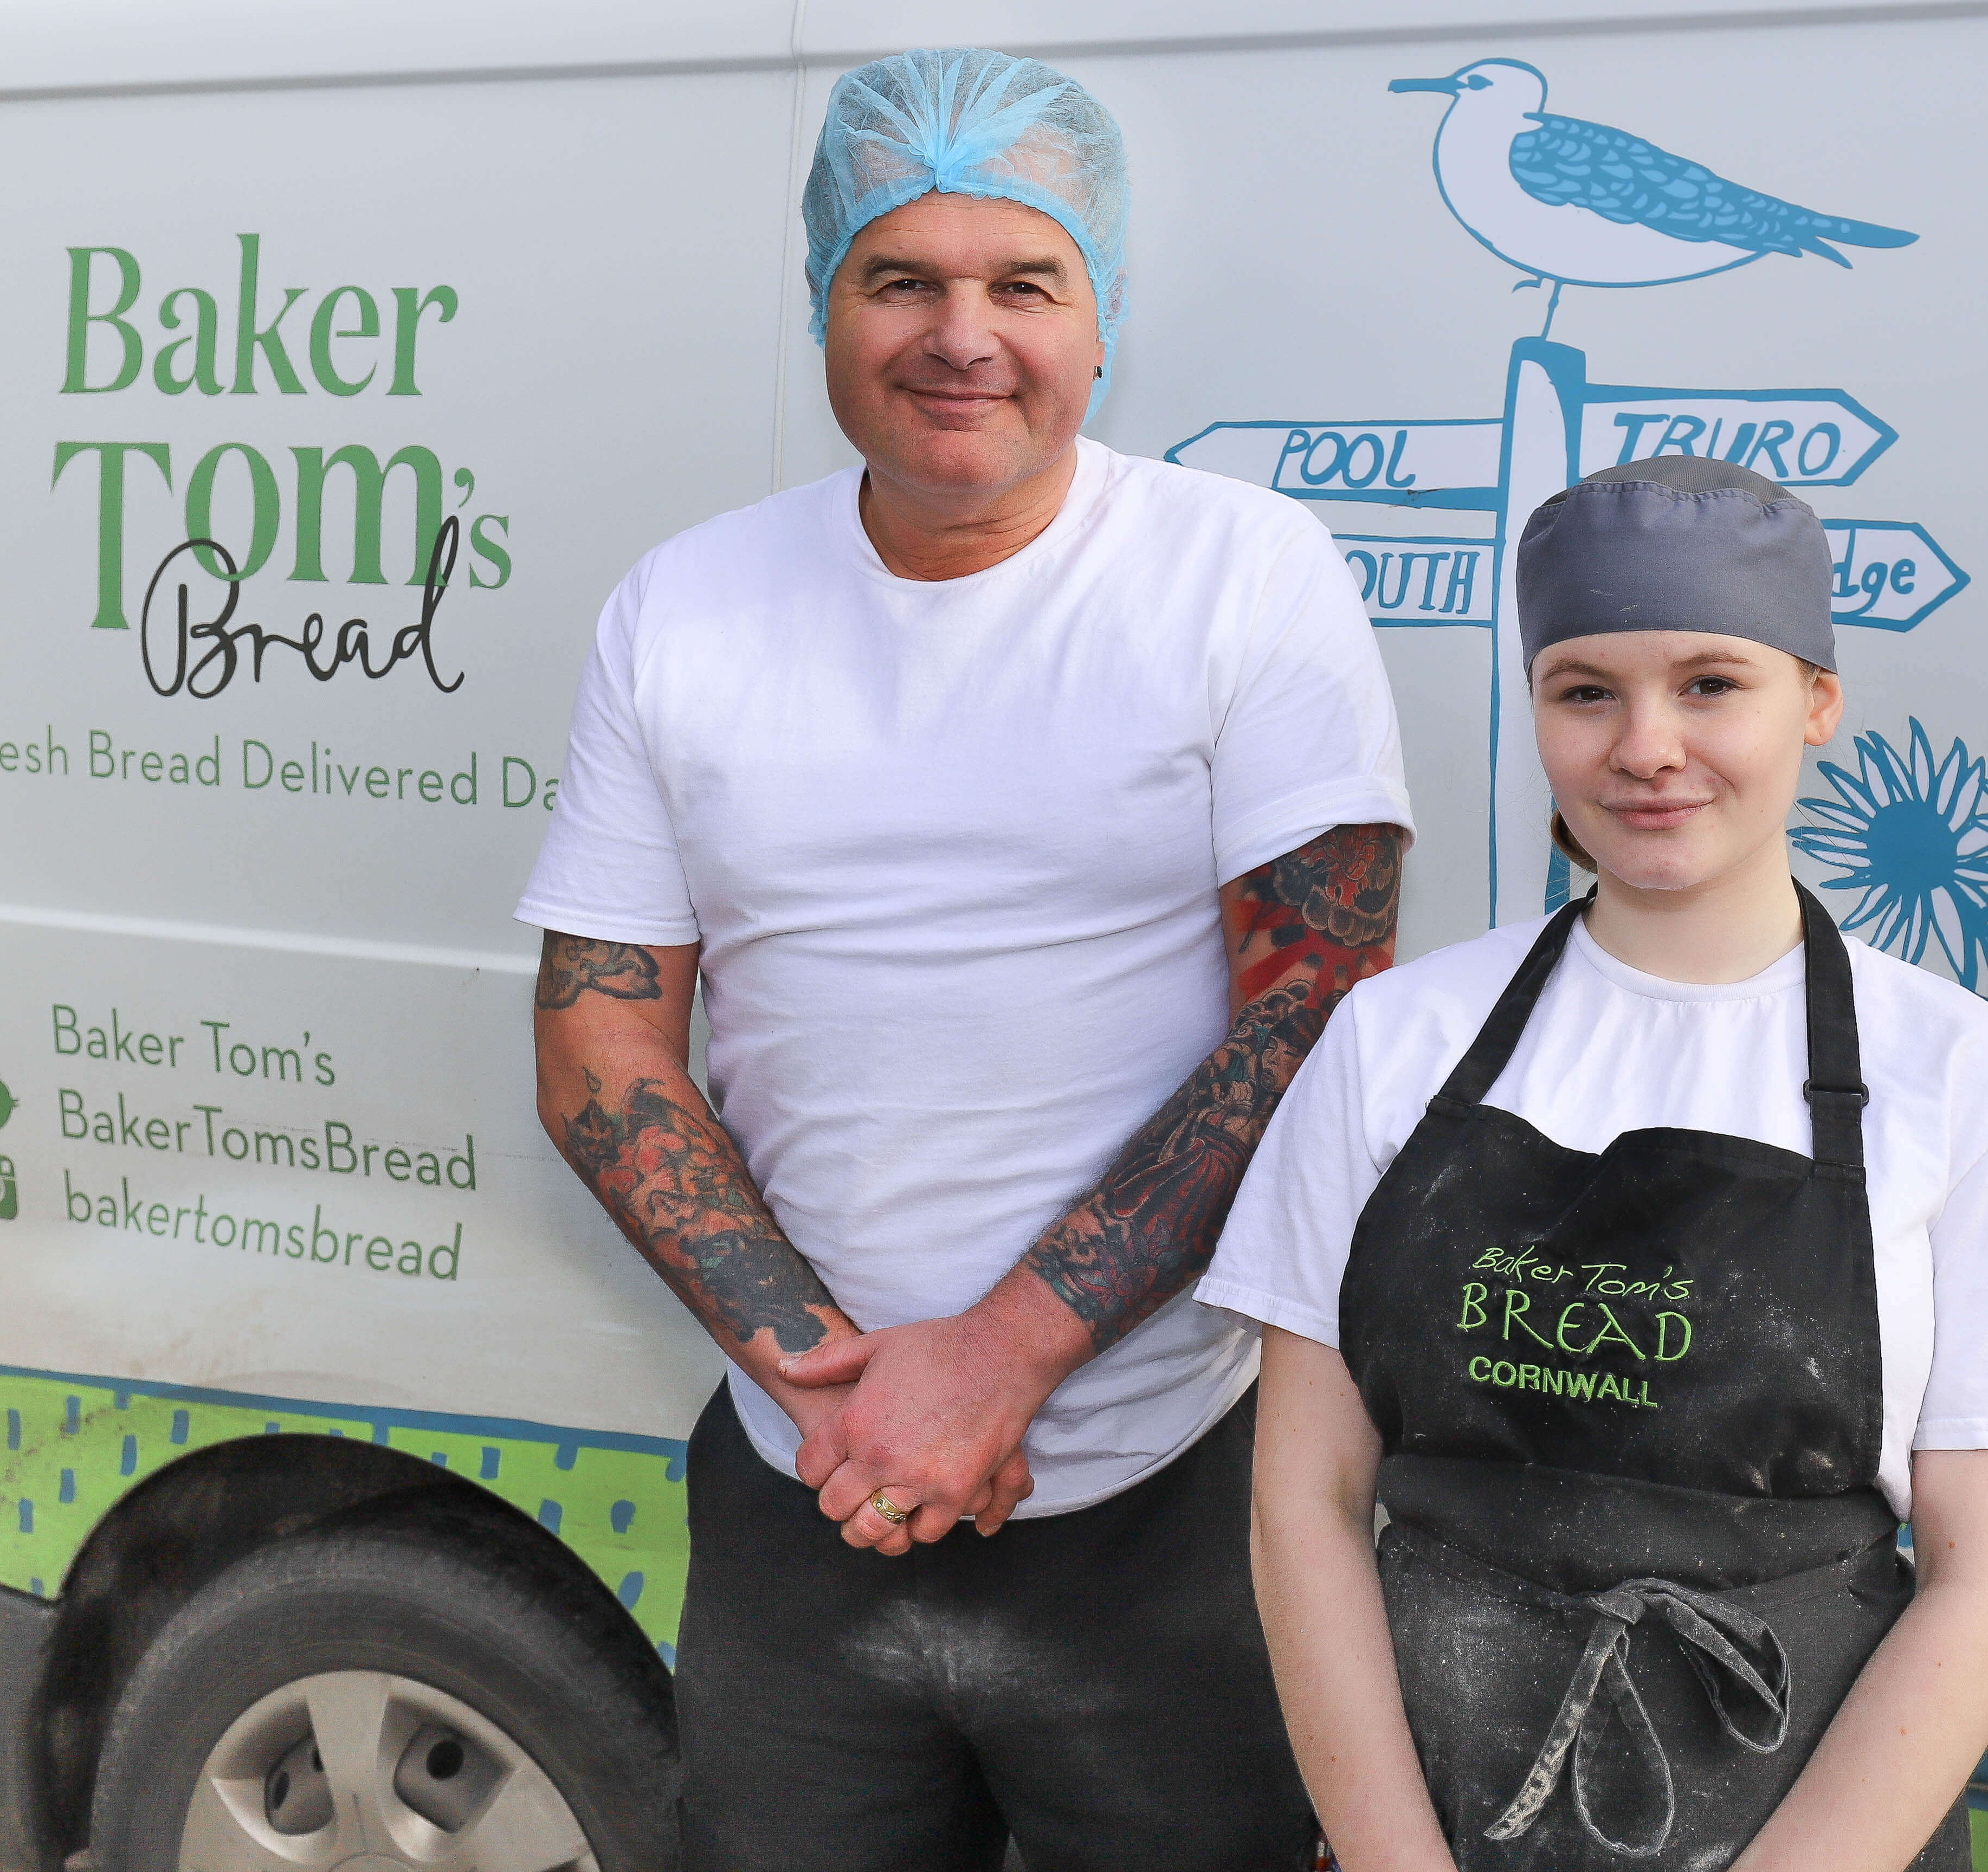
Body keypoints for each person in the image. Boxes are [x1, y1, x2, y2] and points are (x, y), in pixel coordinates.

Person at [517, 48, 1411, 1872]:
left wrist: (1000, 1362)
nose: (962, 336)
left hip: (1170, 1506)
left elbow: (1315, 1017)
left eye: (1023, 282)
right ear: (824, 303)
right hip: (801, 1499)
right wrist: (841, 1391)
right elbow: (600, 1046)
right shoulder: (682, 606)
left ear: (1104, 317)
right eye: (899, 278)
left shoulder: (1239, 573)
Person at [1201, 457, 1988, 1871]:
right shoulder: (1393, 1042)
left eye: (1710, 684)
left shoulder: (1961, 1077)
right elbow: (1304, 1504)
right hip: (1434, 1810)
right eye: (1585, 690)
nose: (1646, 746)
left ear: (1816, 702)